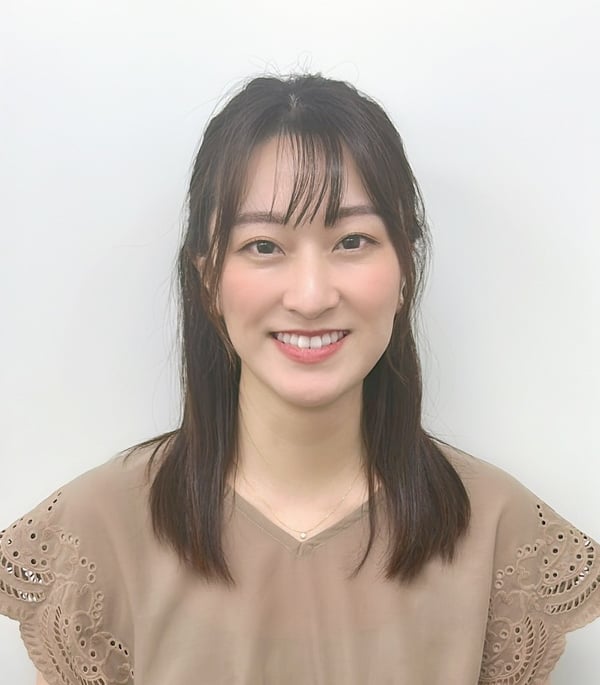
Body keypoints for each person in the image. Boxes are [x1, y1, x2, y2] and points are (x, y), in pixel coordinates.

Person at [1, 73, 599, 685]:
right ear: (208, 280)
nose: (311, 296)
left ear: (404, 269)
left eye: (352, 240)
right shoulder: (97, 532)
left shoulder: (499, 533)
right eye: (264, 246)